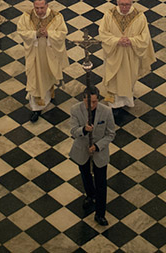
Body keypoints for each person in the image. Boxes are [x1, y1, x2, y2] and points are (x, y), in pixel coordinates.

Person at [97, 0, 155, 121]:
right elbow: (103, 33)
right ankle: (114, 104)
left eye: (127, 4)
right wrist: (117, 40)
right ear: (117, 3)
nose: (124, 7)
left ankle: (127, 100)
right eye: (122, 4)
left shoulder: (140, 16)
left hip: (130, 54)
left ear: (132, 3)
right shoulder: (109, 14)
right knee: (114, 78)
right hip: (114, 53)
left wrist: (131, 41)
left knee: (128, 77)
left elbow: (145, 37)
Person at [14, 0, 69, 122]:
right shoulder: (27, 16)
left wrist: (49, 34)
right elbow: (21, 31)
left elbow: (62, 33)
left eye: (42, 8)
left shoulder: (56, 17)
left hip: (49, 54)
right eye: (36, 8)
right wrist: (35, 34)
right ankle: (36, 108)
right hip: (34, 54)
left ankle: (49, 94)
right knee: (35, 78)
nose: (39, 11)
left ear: (47, 5)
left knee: (48, 75)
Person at [69, 87, 116, 227]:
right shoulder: (75, 109)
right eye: (89, 102)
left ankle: (100, 214)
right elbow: (73, 131)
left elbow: (111, 134)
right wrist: (83, 129)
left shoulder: (106, 111)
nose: (92, 105)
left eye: (95, 102)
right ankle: (90, 195)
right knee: (85, 174)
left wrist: (97, 146)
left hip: (99, 152)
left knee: (101, 183)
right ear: (83, 99)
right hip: (82, 150)